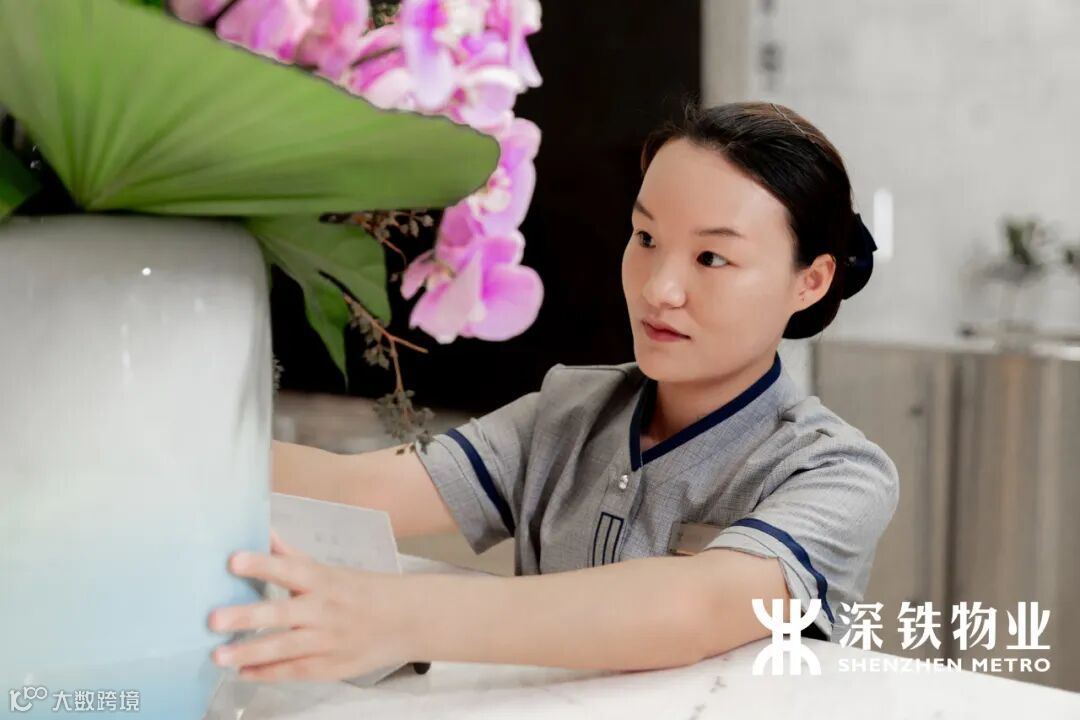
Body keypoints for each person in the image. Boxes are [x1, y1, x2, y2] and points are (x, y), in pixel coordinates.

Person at [207, 101, 900, 682]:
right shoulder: (569, 412)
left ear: (810, 281)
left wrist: (396, 617)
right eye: (645, 237)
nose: (659, 288)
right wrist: (171, 449)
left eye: (711, 257)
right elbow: (358, 490)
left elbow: (689, 607)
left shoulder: (835, 472)